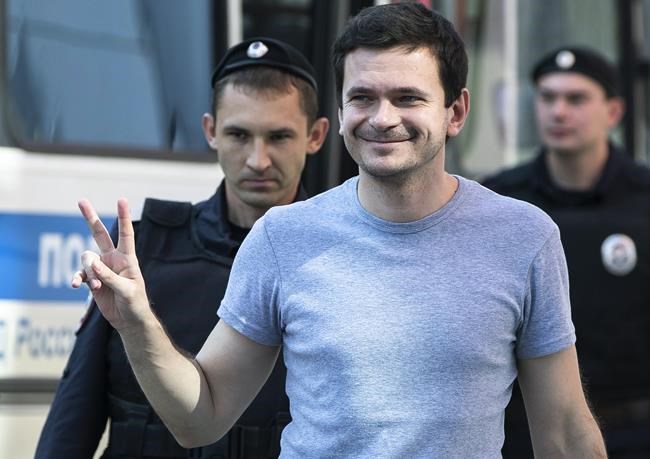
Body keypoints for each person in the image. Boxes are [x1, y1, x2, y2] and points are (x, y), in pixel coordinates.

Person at [71, 4, 607, 457]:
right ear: (341, 109)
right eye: (363, 97)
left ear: (456, 111)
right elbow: (200, 419)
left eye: (408, 98)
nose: (382, 118)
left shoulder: (523, 237)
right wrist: (137, 323)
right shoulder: (281, 237)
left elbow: (563, 431)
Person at [35, 37, 330, 459]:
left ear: (315, 136)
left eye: (279, 137)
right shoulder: (145, 250)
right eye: (239, 135)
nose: (258, 160)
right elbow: (72, 422)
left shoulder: (338, 260)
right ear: (210, 131)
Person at [483, 46, 650, 458]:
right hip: (529, 434)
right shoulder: (502, 201)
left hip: (633, 430)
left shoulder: (644, 199)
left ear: (613, 112)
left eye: (576, 99)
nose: (558, 112)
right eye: (547, 97)